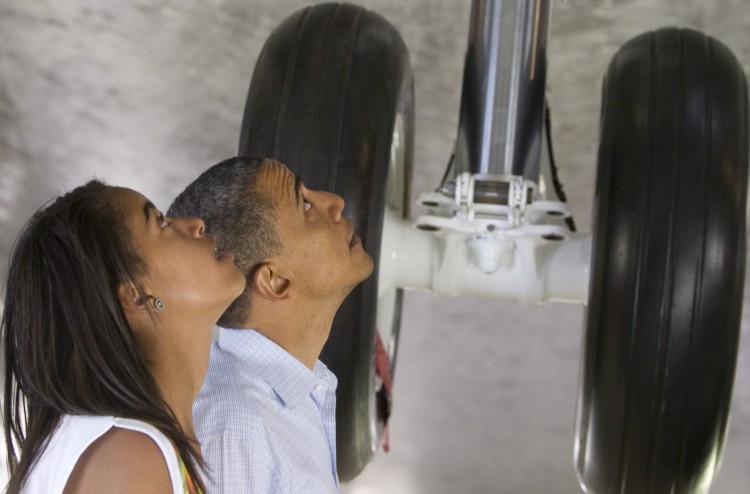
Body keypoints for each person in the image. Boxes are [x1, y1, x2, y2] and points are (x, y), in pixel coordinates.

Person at [2, 180, 246, 494]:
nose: (196, 224)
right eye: (160, 223)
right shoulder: (131, 456)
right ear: (138, 296)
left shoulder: (128, 446)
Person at [168, 156, 374, 493]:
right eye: (306, 206)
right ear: (275, 281)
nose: (335, 203)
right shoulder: (236, 427)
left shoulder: (289, 399)